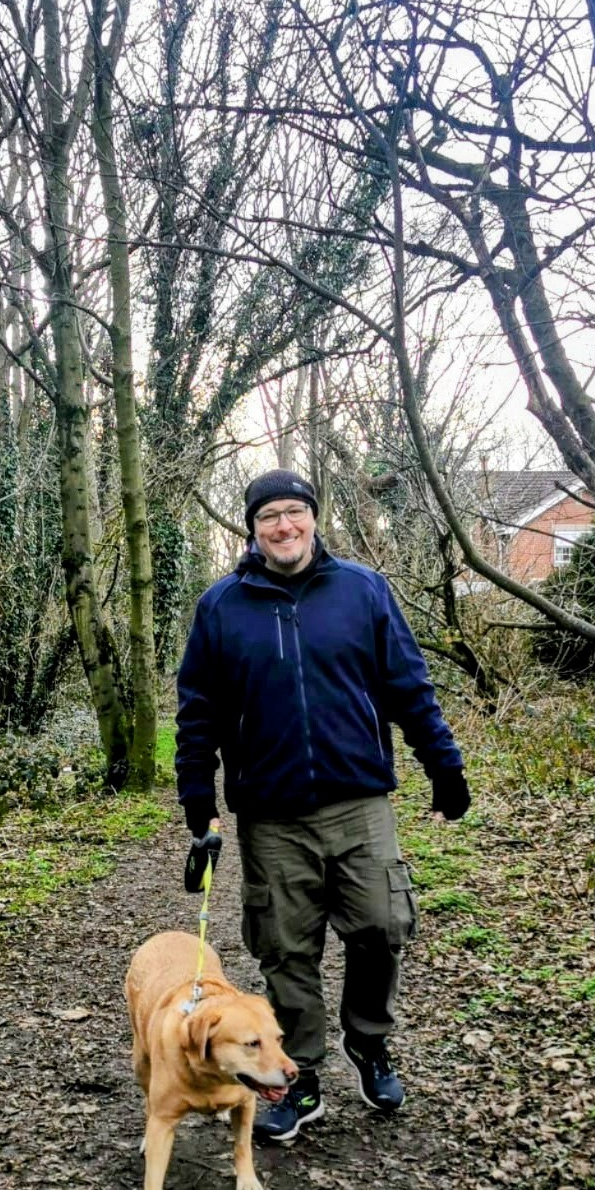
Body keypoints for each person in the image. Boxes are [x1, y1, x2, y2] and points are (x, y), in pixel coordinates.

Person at [176, 468, 470, 1144]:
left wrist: (443, 767)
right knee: (285, 948)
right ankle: (299, 1070)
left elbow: (408, 686)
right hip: (271, 814)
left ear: (312, 517)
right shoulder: (221, 607)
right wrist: (200, 803)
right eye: (268, 515)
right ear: (251, 529)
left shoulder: (362, 590)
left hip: (359, 799)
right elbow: (198, 714)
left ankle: (367, 1041)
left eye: (293, 512)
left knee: (380, 924)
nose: (283, 525)